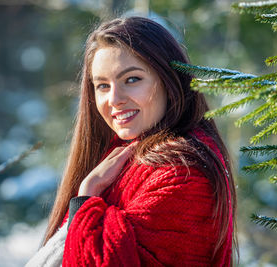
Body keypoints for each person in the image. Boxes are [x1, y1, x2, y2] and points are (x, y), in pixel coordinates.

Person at [26, 16, 236, 267]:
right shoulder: (120, 155)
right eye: (102, 85)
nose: (114, 99)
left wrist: (87, 198)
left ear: (169, 81)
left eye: (132, 79)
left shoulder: (183, 173)